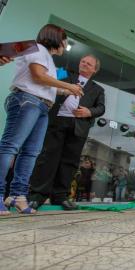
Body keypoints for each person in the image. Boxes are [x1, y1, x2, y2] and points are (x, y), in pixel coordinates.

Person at [0, 24, 83, 216]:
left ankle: (18, 196)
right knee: (10, 147)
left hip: (42, 106)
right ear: (56, 37)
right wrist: (68, 86)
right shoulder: (37, 49)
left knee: (31, 153)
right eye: (64, 40)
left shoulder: (48, 59)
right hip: (27, 101)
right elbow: (38, 76)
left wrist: (63, 90)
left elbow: (44, 83)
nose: (65, 44)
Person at [28, 54, 105, 211]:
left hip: (79, 126)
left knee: (69, 162)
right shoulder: (64, 73)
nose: (84, 64)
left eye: (89, 64)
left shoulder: (98, 89)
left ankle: (60, 196)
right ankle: (37, 195)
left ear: (95, 70)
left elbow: (101, 108)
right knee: (48, 157)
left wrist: (89, 112)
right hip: (57, 120)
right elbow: (48, 81)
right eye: (83, 61)